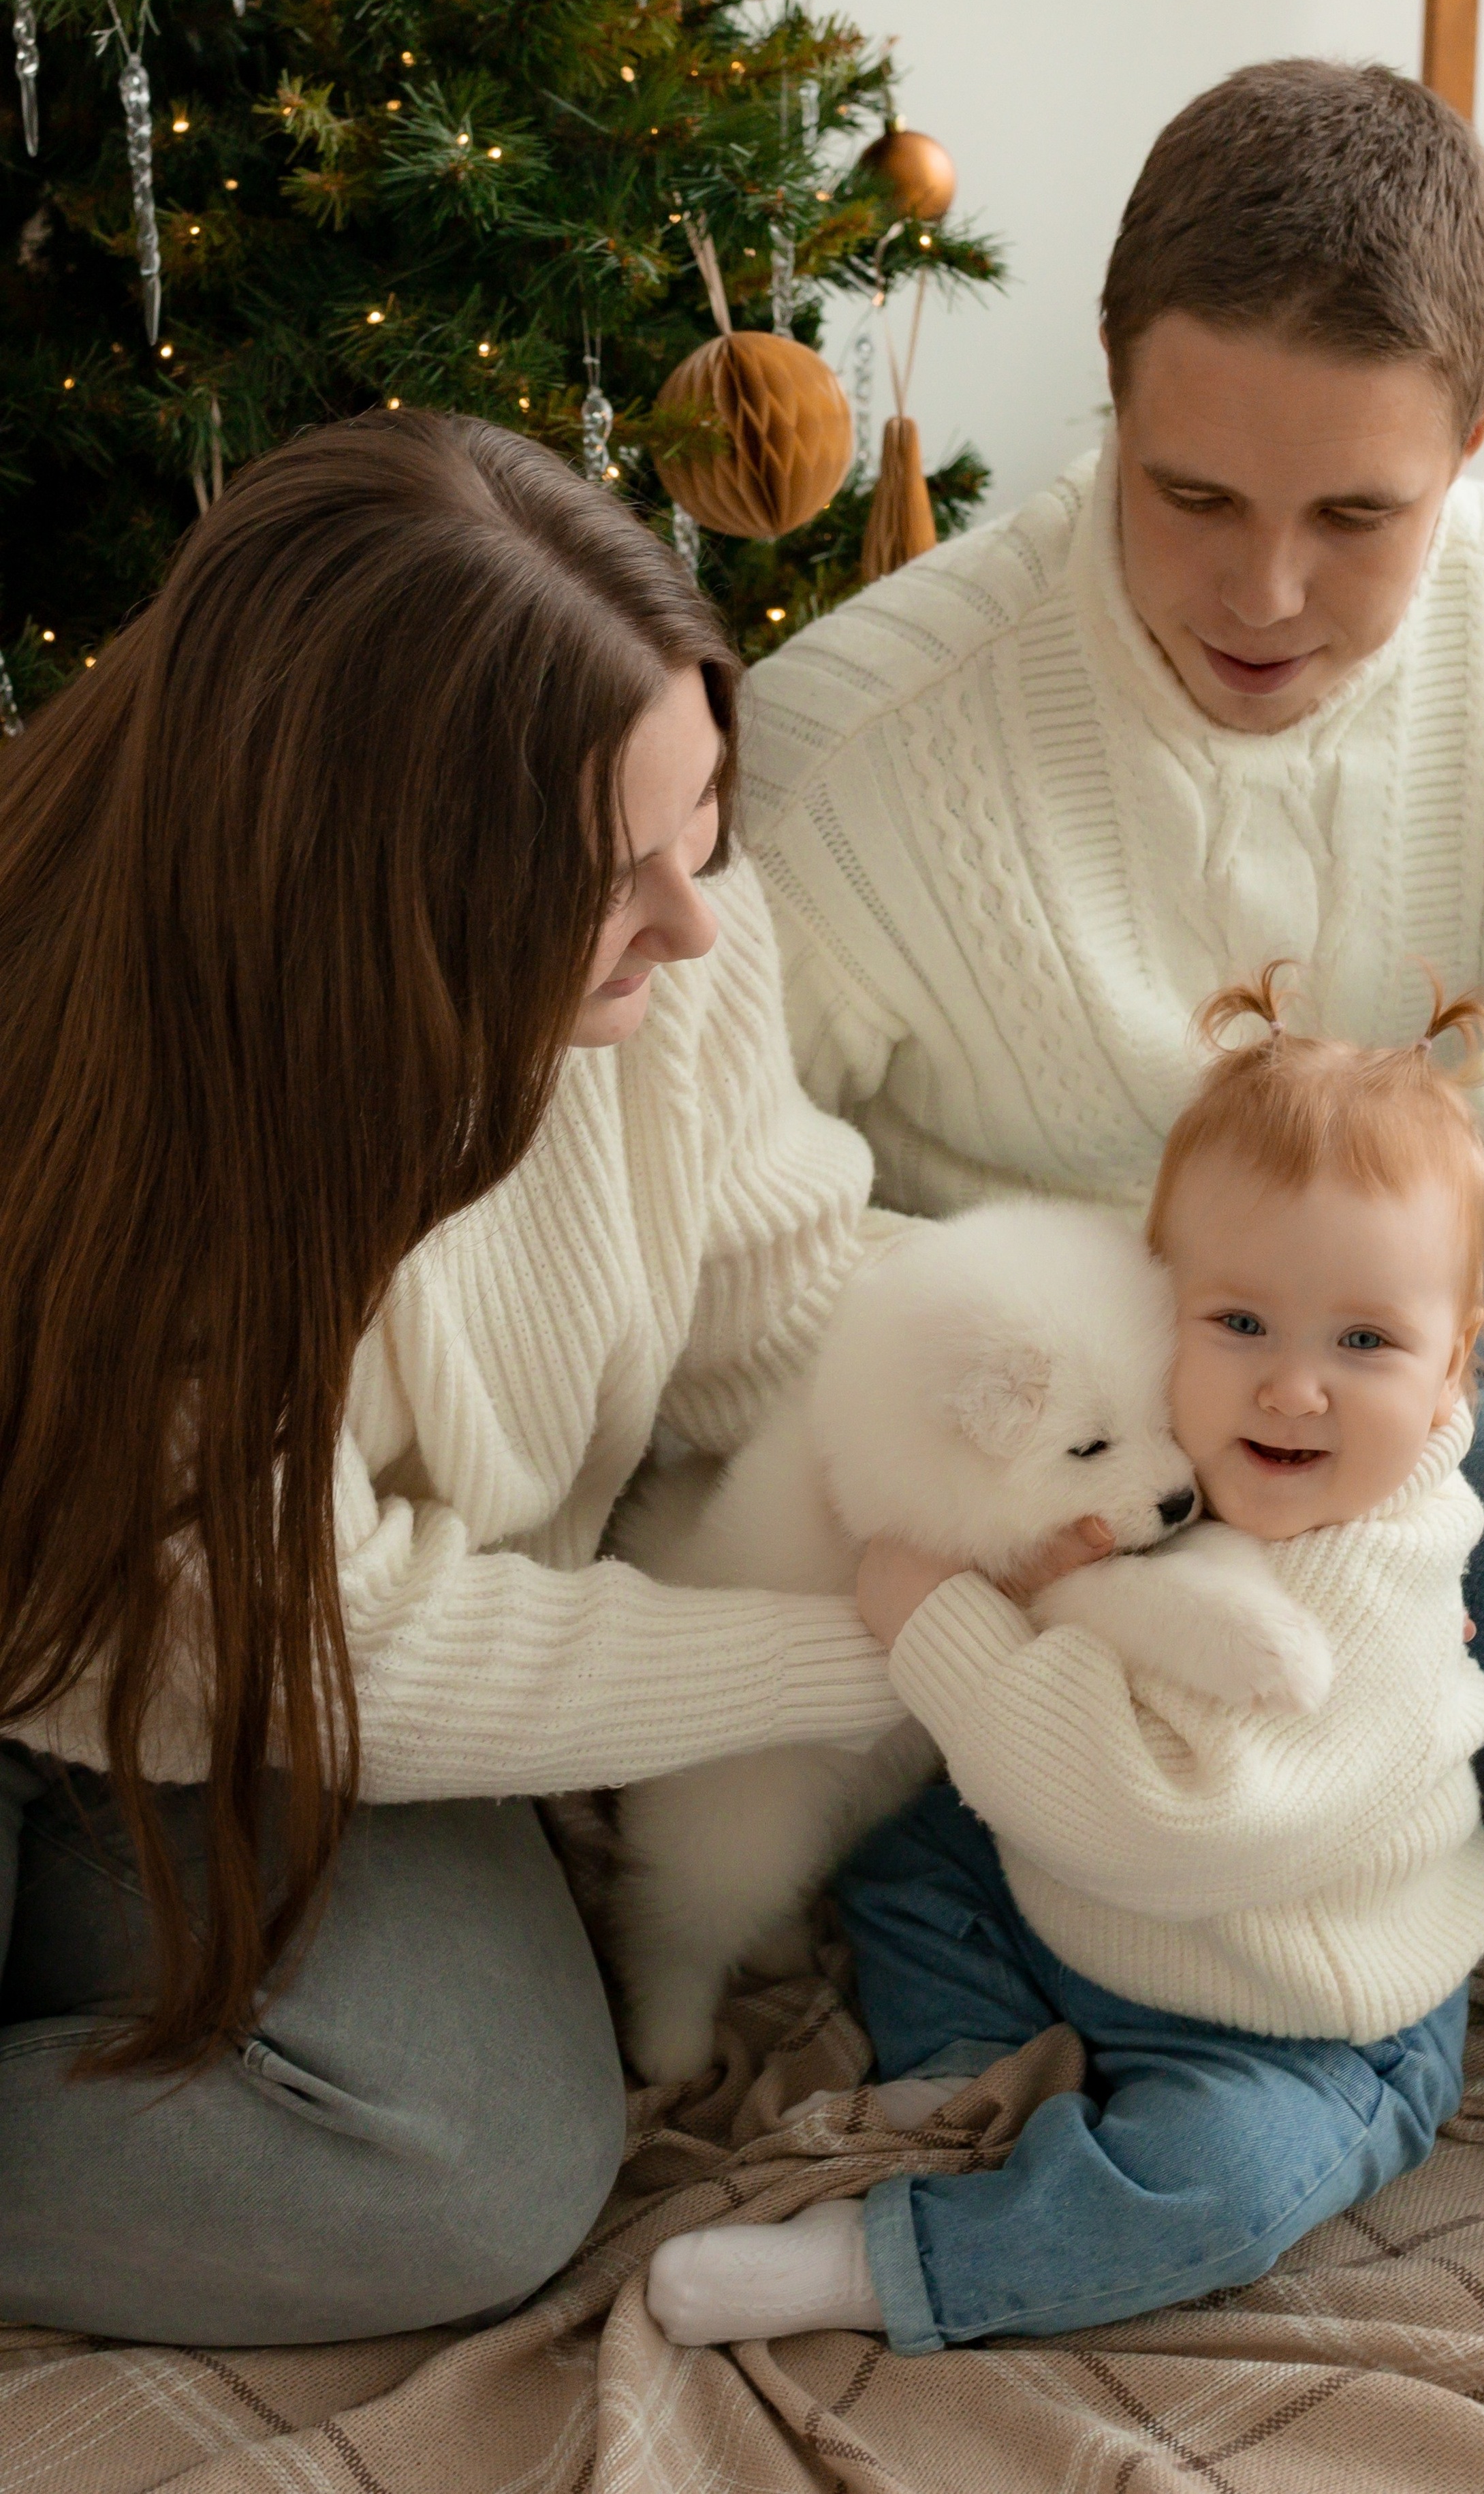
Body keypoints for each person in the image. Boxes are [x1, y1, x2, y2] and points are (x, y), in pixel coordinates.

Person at [740, 57, 1484, 2031]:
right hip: (1160, 1501)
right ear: (1110, 398)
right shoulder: (857, 755)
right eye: (1191, 494)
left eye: (1359, 515)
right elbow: (723, 1277)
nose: (1265, 594)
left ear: (1479, 439)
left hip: (1427, 1318)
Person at [0, 409, 938, 2345]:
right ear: (379, 892)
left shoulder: (673, 944)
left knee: (474, 2160)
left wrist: (1130, 1373)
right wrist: (874, 1643)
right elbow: (336, 1639)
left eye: (705, 832)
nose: (691, 920)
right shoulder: (132, 1100)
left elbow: (783, 1309)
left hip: (261, 1699)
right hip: (134, 1632)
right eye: (620, 875)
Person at [646, 970, 1484, 2350]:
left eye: (1362, 1341)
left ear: (1452, 1368)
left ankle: (895, 2264)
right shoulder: (1211, 1450)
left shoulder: (1363, 1601)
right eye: (1235, 1325)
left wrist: (939, 1623)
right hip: (1085, 1915)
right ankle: (971, 2062)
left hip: (1300, 2011)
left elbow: (1157, 1824)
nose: (1292, 1385)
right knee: (905, 1864)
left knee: (1219, 2190)